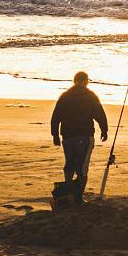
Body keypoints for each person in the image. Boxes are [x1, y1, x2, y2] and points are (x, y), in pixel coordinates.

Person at [51, 71, 108, 204]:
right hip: (84, 135)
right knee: (82, 166)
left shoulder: (64, 96)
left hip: (67, 136)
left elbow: (55, 117)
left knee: (69, 163)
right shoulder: (90, 96)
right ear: (85, 81)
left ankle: (68, 193)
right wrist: (104, 130)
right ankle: (78, 197)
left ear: (74, 81)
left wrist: (55, 135)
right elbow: (99, 114)